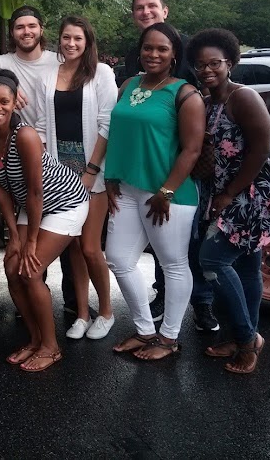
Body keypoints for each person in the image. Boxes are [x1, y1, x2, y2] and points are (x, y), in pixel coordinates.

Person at [188, 29, 270, 374]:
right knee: (247, 266)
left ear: (230, 62)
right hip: (228, 191)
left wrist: (229, 193)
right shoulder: (208, 102)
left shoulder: (244, 97)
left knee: (212, 260)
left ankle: (247, 341)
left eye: (214, 63)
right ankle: (243, 336)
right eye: (200, 65)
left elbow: (261, 151)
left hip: (252, 195)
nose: (207, 70)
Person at [105, 22, 205, 360]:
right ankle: (145, 330)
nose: (153, 54)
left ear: (174, 54)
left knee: (173, 264)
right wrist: (111, 175)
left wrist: (167, 191)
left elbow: (192, 149)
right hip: (127, 187)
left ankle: (169, 337)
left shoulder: (185, 94)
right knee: (119, 258)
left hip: (168, 195)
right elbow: (117, 133)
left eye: (162, 48)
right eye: (148, 47)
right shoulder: (128, 85)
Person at [0, 70, 89, 372]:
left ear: (14, 103)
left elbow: (36, 191)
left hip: (65, 201)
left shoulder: (25, 136)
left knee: (30, 270)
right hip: (32, 204)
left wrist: (30, 242)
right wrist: (13, 236)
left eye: (4, 102)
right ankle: (35, 339)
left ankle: (51, 348)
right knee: (11, 268)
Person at [124, 0, 218, 332]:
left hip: (186, 163)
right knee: (161, 242)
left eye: (151, 6)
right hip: (150, 165)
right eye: (139, 8)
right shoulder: (135, 56)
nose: (145, 12)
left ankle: (203, 303)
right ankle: (163, 295)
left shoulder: (188, 50)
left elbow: (209, 90)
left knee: (186, 242)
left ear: (165, 9)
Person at [33, 16, 117, 341]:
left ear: (87, 42)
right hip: (60, 173)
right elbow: (42, 125)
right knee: (73, 249)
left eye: (78, 38)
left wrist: (91, 170)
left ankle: (106, 312)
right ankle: (82, 314)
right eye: (66, 37)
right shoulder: (47, 75)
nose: (71, 44)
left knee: (91, 247)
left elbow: (107, 124)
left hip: (92, 171)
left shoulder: (101, 73)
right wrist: (46, 169)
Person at [0, 5, 58, 127]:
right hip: (17, 136)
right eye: (20, 27)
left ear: (41, 30)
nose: (26, 32)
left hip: (55, 134)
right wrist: (7, 90)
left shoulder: (58, 61)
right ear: (12, 33)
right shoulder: (2, 63)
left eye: (32, 26)